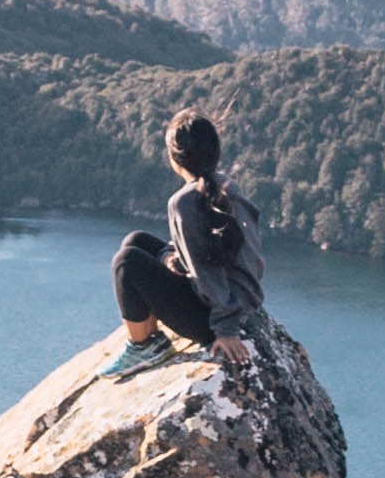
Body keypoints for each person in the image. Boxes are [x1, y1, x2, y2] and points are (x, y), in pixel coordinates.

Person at [93, 109, 267, 379]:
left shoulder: (184, 202)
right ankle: (150, 336)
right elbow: (235, 256)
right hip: (239, 300)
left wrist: (226, 330)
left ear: (175, 158)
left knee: (126, 262)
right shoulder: (227, 186)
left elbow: (205, 271)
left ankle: (145, 345)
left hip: (213, 320)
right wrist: (170, 259)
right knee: (137, 240)